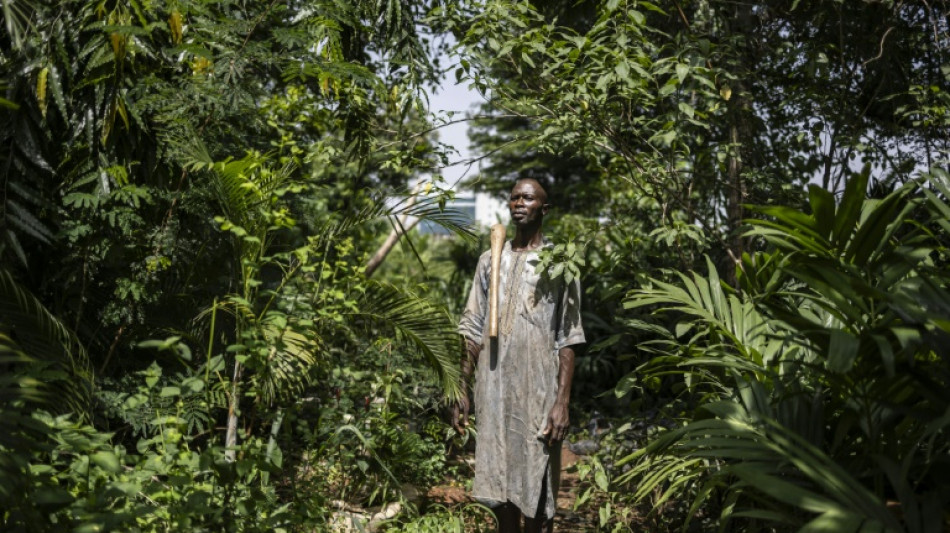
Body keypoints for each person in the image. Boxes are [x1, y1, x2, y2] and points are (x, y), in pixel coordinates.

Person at [453, 178, 585, 533]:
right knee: (497, 485)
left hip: (537, 392)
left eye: (527, 198)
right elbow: (471, 328)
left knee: (538, 489)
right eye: (513, 197)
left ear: (545, 208)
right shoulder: (489, 260)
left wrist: (562, 401)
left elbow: (568, 337)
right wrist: (461, 388)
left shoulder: (559, 263)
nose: (518, 203)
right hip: (493, 390)